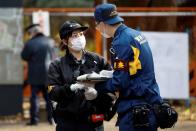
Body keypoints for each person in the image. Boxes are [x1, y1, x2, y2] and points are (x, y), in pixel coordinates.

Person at [93, 3, 163, 131]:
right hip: (150, 102)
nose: (97, 28)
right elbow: (132, 69)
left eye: (96, 25)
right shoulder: (135, 34)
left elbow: (120, 81)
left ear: (102, 23)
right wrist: (111, 74)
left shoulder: (120, 43)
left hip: (135, 109)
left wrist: (95, 86)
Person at [47, 20, 116, 131]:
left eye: (81, 34)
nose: (79, 38)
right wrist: (71, 88)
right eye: (74, 35)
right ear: (65, 41)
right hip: (67, 122)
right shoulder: (57, 65)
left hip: (93, 122)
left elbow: (113, 86)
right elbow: (53, 93)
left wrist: (97, 94)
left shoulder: (97, 60)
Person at [21, 24, 55, 125]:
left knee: (34, 97)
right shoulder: (50, 41)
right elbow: (55, 57)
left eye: (29, 33)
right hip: (49, 74)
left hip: (35, 75)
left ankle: (34, 120)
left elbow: (24, 56)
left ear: (32, 33)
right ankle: (51, 119)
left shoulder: (30, 43)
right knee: (49, 97)